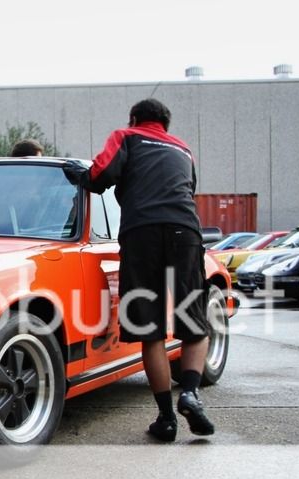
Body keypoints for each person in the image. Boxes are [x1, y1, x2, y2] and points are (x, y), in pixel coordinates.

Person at [66, 98, 214, 442]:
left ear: (134, 118)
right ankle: (190, 393)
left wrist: (79, 177)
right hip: (185, 231)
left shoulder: (126, 136)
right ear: (166, 124)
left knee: (150, 330)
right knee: (194, 323)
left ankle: (166, 418)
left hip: (142, 233)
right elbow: (188, 190)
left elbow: (99, 177)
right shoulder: (183, 149)